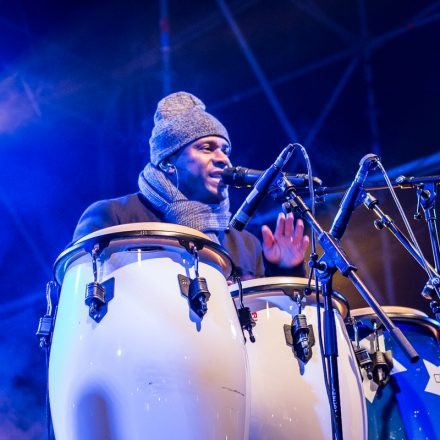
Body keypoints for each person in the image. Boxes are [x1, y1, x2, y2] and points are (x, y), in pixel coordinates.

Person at [73, 91, 309, 279]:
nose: (223, 158)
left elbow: (268, 326)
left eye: (225, 150)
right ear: (168, 162)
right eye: (206, 148)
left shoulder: (245, 244)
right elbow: (82, 294)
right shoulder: (115, 216)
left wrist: (285, 270)